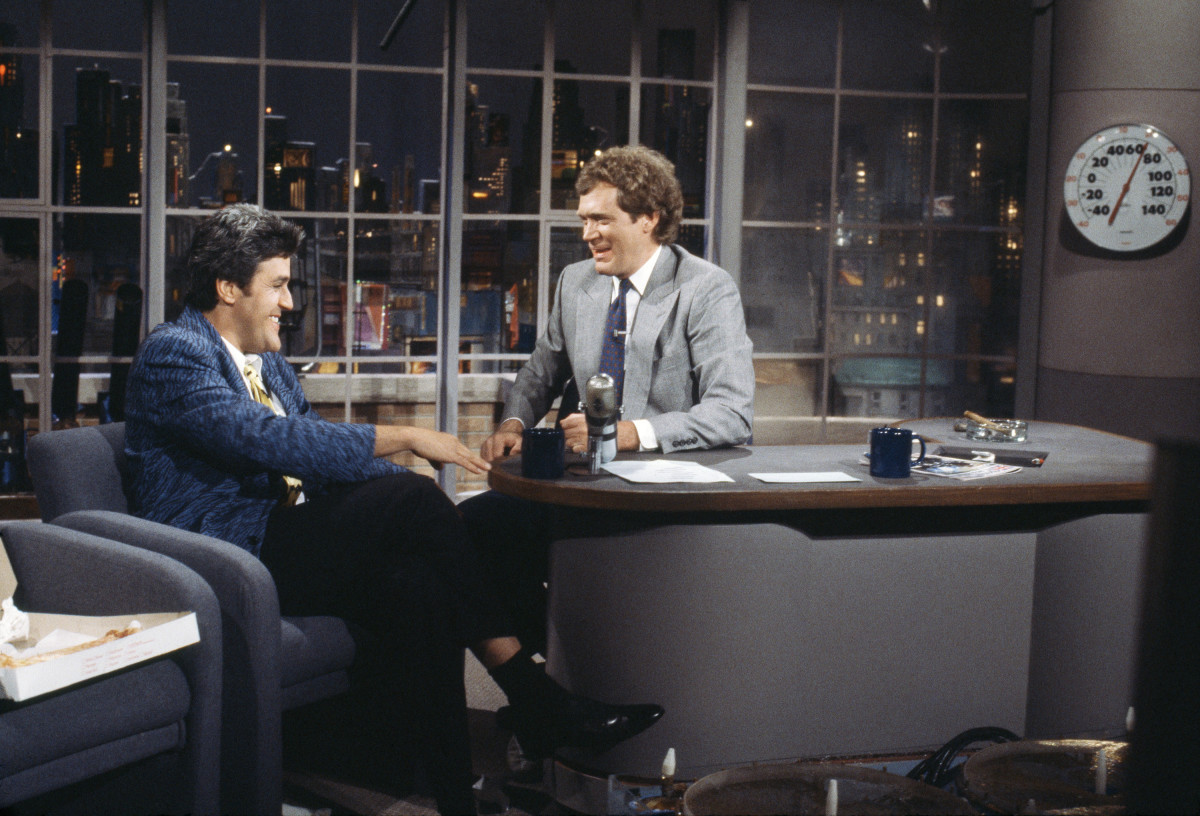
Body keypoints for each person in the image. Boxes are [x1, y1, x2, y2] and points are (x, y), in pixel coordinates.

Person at [124, 203, 662, 814]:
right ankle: (535, 698)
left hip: (285, 532)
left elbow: (319, 456)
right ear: (228, 288)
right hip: (225, 554)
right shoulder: (174, 353)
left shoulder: (267, 362)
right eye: (277, 285)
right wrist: (405, 440)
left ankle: (452, 792)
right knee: (414, 502)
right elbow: (268, 439)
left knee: (422, 580)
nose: (289, 303)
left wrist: (428, 515)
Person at [460, 145, 755, 654]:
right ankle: (547, 672)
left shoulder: (706, 289)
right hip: (579, 484)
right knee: (465, 531)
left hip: (658, 494)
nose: (587, 234)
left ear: (648, 218)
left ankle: (570, 671)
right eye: (583, 220)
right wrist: (513, 423)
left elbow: (731, 412)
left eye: (601, 219)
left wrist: (629, 433)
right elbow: (540, 370)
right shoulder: (576, 282)